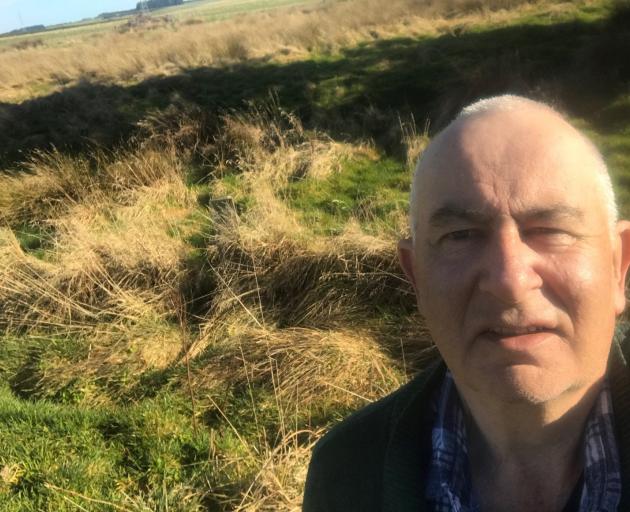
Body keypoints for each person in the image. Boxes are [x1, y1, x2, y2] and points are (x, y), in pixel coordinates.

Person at [302, 95, 630, 512]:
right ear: (416, 277)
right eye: (460, 236)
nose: (509, 281)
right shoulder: (347, 471)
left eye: (550, 229)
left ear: (618, 266)